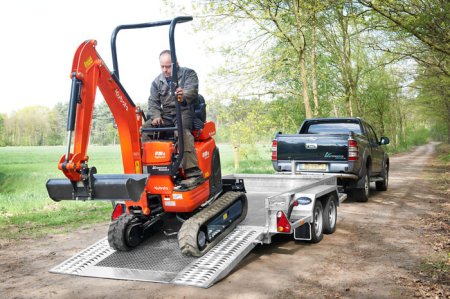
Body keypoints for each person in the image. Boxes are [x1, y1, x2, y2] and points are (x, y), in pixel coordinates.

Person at [142, 50, 203, 186]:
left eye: (168, 66)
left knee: (180, 131)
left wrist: (183, 95)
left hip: (184, 110)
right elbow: (153, 102)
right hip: (167, 114)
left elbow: (192, 92)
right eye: (162, 66)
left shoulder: (188, 74)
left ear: (176, 64)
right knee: (145, 129)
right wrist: (156, 116)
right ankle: (149, 169)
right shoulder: (157, 82)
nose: (165, 70)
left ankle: (194, 173)